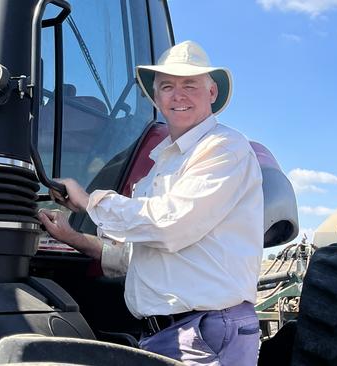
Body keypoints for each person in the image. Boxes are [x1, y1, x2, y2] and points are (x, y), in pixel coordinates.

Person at [38, 40, 264, 366]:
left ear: (212, 92)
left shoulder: (223, 148)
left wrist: (89, 201)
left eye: (190, 85)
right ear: (155, 97)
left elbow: (170, 226)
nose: (178, 95)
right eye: (167, 86)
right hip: (166, 333)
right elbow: (142, 255)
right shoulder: (161, 165)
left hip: (201, 331)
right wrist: (73, 238)